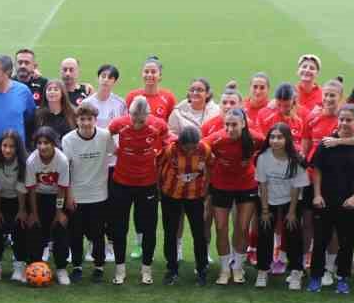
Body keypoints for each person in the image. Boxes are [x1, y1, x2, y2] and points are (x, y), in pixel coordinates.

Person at [306, 105, 354, 295]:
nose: (344, 123)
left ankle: (343, 278)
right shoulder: (327, 143)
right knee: (320, 241)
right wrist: (317, 194)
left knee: (347, 242)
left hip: (349, 204)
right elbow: (317, 170)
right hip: (326, 201)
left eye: (349, 120)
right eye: (342, 119)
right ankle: (315, 277)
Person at [107, 96, 170, 285]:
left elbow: (168, 141)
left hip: (147, 184)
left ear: (148, 116)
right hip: (121, 183)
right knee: (119, 228)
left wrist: (157, 154)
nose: (136, 123)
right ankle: (120, 269)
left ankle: (146, 269)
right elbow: (104, 135)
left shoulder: (158, 125)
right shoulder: (119, 123)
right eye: (134, 118)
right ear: (129, 113)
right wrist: (115, 150)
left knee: (149, 228)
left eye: (141, 120)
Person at [205, 107, 260, 286]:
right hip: (221, 186)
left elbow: (273, 145)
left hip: (247, 186)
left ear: (243, 124)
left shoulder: (254, 138)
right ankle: (224, 269)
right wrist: (210, 161)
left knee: (242, 227)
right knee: (221, 227)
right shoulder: (217, 138)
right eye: (227, 124)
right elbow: (200, 147)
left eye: (234, 125)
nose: (229, 129)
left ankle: (237, 267)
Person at [61, 103, 114, 282]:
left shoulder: (105, 136)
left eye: (89, 119)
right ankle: (76, 266)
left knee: (98, 234)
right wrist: (69, 195)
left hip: (99, 195)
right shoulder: (68, 139)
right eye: (82, 119)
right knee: (75, 234)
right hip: (77, 195)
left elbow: (116, 153)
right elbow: (66, 169)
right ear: (76, 120)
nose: (85, 123)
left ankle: (99, 267)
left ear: (95, 120)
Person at [255, 122, 310, 290]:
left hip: (291, 200)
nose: (275, 140)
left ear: (287, 139)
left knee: (293, 234)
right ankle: (263, 270)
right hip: (267, 199)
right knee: (264, 233)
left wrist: (292, 212)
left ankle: (296, 271)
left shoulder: (297, 160)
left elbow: (296, 187)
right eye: (272, 137)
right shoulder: (263, 158)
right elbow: (263, 185)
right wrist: (264, 210)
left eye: (279, 137)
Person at [158, 124, 210, 286]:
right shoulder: (169, 150)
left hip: (195, 197)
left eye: (193, 147)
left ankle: (202, 269)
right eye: (187, 148)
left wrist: (206, 189)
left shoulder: (204, 149)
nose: (190, 150)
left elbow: (212, 166)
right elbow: (157, 166)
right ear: (180, 144)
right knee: (170, 232)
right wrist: (159, 189)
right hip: (171, 196)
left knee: (199, 233)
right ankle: (171, 269)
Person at [22, 127, 72, 285]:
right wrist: (34, 213)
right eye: (39, 143)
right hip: (38, 197)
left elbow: (62, 189)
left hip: (57, 197)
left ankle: (61, 268)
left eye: (47, 143)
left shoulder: (62, 160)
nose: (42, 147)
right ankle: (34, 266)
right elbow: (31, 190)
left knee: (60, 228)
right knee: (35, 228)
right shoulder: (32, 161)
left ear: (54, 144)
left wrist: (59, 213)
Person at [0, 130, 31, 283]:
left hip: (19, 200)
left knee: (20, 227)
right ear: (0, 146)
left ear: (18, 148)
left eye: (12, 146)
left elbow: (22, 188)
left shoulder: (25, 162)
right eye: (4, 145)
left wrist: (22, 211)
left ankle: (19, 266)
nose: (7, 150)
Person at [124, 56, 176, 122]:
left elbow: (172, 125)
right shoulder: (132, 96)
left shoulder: (168, 97)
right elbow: (125, 121)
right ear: (142, 74)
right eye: (146, 72)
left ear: (160, 76)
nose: (149, 75)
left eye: (153, 72)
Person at [87, 64, 127, 130]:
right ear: (97, 78)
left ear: (115, 82)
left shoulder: (121, 104)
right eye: (103, 76)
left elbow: (124, 127)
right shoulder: (87, 103)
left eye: (110, 78)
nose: (106, 80)